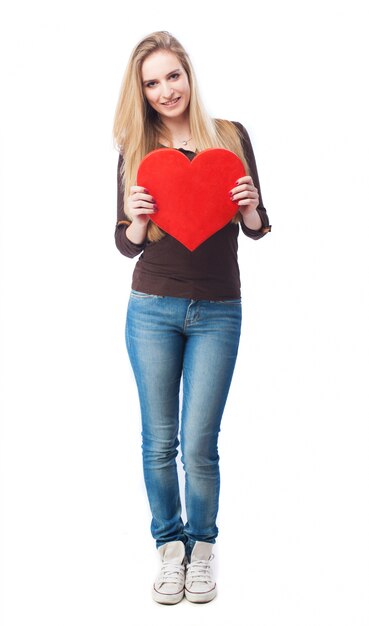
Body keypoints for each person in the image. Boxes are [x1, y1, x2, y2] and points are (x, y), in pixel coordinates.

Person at [112, 30, 271, 605]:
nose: (164, 90)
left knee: (199, 443)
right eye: (151, 83)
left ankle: (202, 549)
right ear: (143, 91)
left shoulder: (230, 137)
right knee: (158, 443)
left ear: (188, 74)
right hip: (151, 308)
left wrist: (250, 208)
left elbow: (256, 227)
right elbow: (127, 244)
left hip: (219, 311)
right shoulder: (139, 148)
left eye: (171, 76)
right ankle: (168, 549)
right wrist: (133, 217)